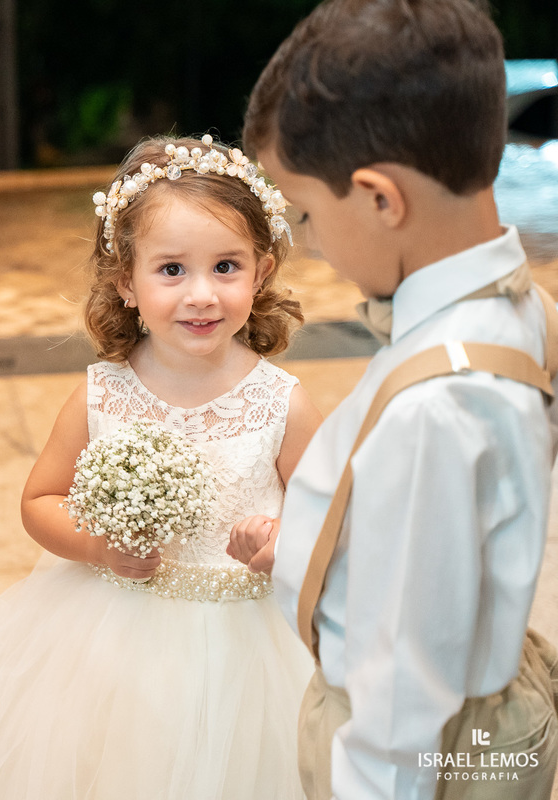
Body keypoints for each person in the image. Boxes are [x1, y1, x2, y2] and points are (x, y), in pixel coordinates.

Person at [232, 1, 558, 798]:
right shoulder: (518, 308)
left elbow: (401, 704)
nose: (308, 240)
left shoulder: (434, 409)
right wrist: (315, 543)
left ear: (381, 199)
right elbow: (450, 543)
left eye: (308, 212)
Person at [0, 133, 321, 799]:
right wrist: (99, 547)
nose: (201, 294)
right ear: (127, 282)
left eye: (225, 267)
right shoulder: (102, 393)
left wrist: (280, 546)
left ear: (260, 273)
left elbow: (333, 524)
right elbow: (40, 500)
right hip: (113, 634)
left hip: (248, 648)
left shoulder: (283, 405)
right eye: (172, 270)